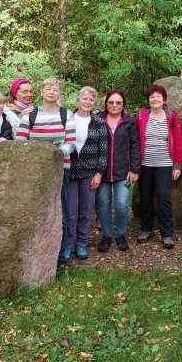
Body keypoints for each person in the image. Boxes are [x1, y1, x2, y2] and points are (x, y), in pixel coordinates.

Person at [15, 78, 74, 266]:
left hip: (60, 169)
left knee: (60, 210)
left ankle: (61, 253)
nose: (51, 92)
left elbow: (71, 143)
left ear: (59, 92)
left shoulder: (67, 114)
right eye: (47, 88)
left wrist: (54, 153)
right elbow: (20, 143)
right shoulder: (30, 116)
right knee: (36, 210)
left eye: (55, 89)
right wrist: (40, 152)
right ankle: (35, 251)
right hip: (35, 171)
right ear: (41, 91)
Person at [136, 84, 182, 249]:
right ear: (148, 100)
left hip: (165, 164)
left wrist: (177, 166)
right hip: (145, 164)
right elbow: (135, 141)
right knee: (145, 197)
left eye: (158, 96)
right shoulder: (142, 116)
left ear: (164, 99)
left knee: (164, 198)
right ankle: (146, 229)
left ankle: (167, 234)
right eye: (152, 97)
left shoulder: (171, 116)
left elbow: (178, 141)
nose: (155, 99)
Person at [64, 87, 108, 261]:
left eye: (91, 99)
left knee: (85, 211)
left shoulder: (99, 123)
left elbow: (103, 151)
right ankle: (67, 244)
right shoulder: (67, 119)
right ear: (78, 100)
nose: (87, 102)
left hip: (90, 172)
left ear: (94, 102)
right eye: (84, 98)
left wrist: (99, 173)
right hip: (70, 171)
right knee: (70, 211)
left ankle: (81, 244)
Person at [96, 89, 140, 252]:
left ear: (123, 105)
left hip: (123, 172)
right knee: (104, 205)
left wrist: (134, 169)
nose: (114, 105)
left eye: (118, 102)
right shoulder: (98, 120)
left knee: (121, 204)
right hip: (102, 172)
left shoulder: (129, 121)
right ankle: (106, 236)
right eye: (111, 102)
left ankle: (120, 234)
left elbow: (135, 145)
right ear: (106, 104)